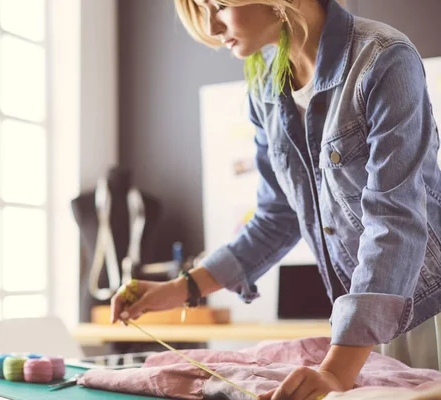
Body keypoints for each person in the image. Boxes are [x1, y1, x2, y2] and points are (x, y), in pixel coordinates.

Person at [110, 0, 441, 399]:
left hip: (429, 309)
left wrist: (336, 372)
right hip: (363, 328)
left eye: (218, 6)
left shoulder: (384, 59)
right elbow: (276, 217)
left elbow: (395, 220)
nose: (213, 28)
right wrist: (176, 290)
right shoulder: (265, 90)